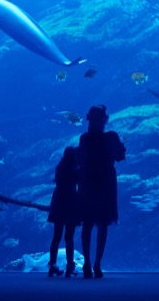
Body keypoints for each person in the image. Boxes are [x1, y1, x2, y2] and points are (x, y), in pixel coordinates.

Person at [77, 104, 126, 279]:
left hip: (87, 181)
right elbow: (120, 157)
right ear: (105, 119)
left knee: (88, 223)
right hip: (105, 182)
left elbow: (80, 160)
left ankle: (87, 264)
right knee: (103, 223)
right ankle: (97, 263)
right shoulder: (111, 137)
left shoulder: (84, 138)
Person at [47, 146, 80, 277]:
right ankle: (70, 266)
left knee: (56, 236)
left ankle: (53, 265)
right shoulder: (76, 169)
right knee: (69, 237)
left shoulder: (60, 166)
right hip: (71, 201)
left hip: (59, 201)